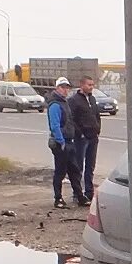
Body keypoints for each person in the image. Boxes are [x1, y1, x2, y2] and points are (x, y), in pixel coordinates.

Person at [46, 76, 86, 209]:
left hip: (69, 141)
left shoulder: (65, 103)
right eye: (62, 87)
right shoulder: (55, 105)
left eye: (67, 87)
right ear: (57, 88)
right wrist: (61, 142)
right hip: (61, 143)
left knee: (74, 170)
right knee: (60, 172)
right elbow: (55, 125)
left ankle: (80, 196)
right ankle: (58, 198)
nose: (65, 90)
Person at [69, 75, 102, 202]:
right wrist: (80, 134)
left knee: (90, 166)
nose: (91, 87)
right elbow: (72, 119)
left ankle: (89, 192)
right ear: (82, 85)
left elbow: (96, 115)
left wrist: (98, 129)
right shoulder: (74, 100)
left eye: (93, 85)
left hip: (93, 137)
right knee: (78, 166)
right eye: (89, 85)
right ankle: (77, 194)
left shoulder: (92, 99)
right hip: (82, 139)